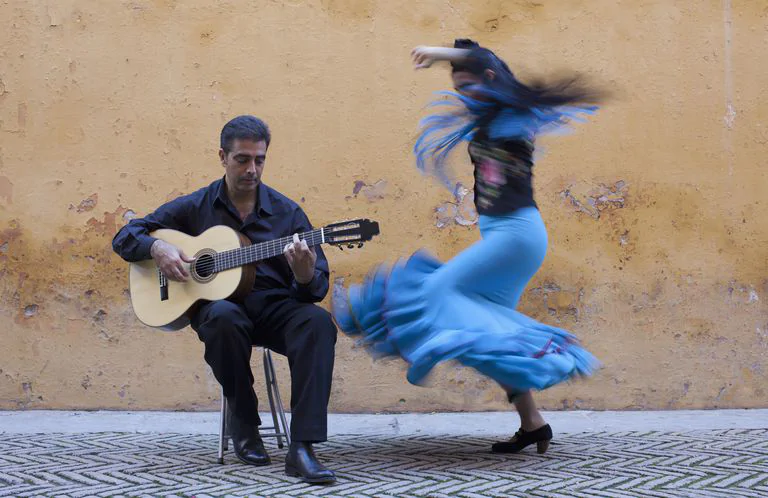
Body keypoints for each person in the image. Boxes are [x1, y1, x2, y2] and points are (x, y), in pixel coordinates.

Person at [332, 39, 604, 454]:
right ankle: (533, 424)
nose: (464, 97)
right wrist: (457, 69)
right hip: (504, 236)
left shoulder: (512, 112)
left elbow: (484, 63)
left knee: (436, 290)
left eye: (469, 87)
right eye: (458, 90)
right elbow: (481, 74)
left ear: (491, 79)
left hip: (516, 236)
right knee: (488, 333)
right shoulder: (490, 119)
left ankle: (431, 350)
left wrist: (443, 54)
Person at [112, 115, 337, 484]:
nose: (252, 169)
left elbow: (315, 289)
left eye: (259, 160)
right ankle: (244, 419)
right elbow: (126, 236)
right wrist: (158, 247)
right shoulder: (195, 206)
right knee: (222, 317)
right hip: (222, 311)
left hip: (273, 307)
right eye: (242, 159)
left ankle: (303, 448)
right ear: (223, 156)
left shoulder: (287, 212)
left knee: (317, 323)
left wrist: (304, 274)